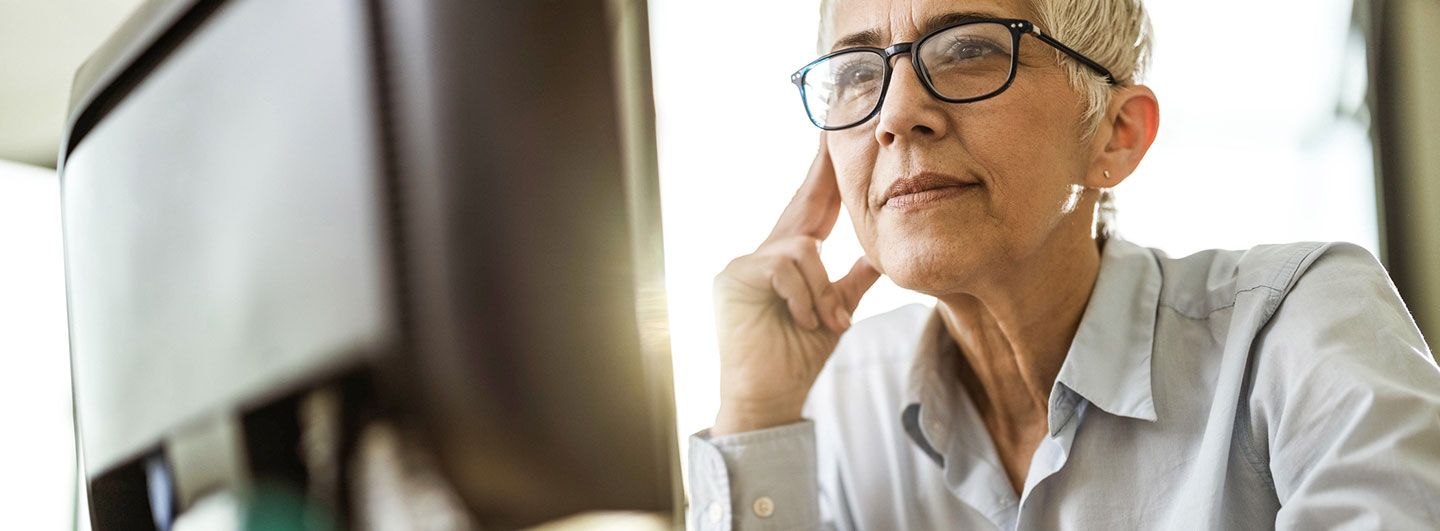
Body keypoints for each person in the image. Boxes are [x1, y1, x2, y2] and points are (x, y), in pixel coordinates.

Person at [686, 0, 1440, 529]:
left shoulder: (1296, 328)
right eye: (856, 72)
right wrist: (753, 413)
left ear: (1115, 133)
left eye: (971, 49)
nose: (893, 114)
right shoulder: (833, 407)